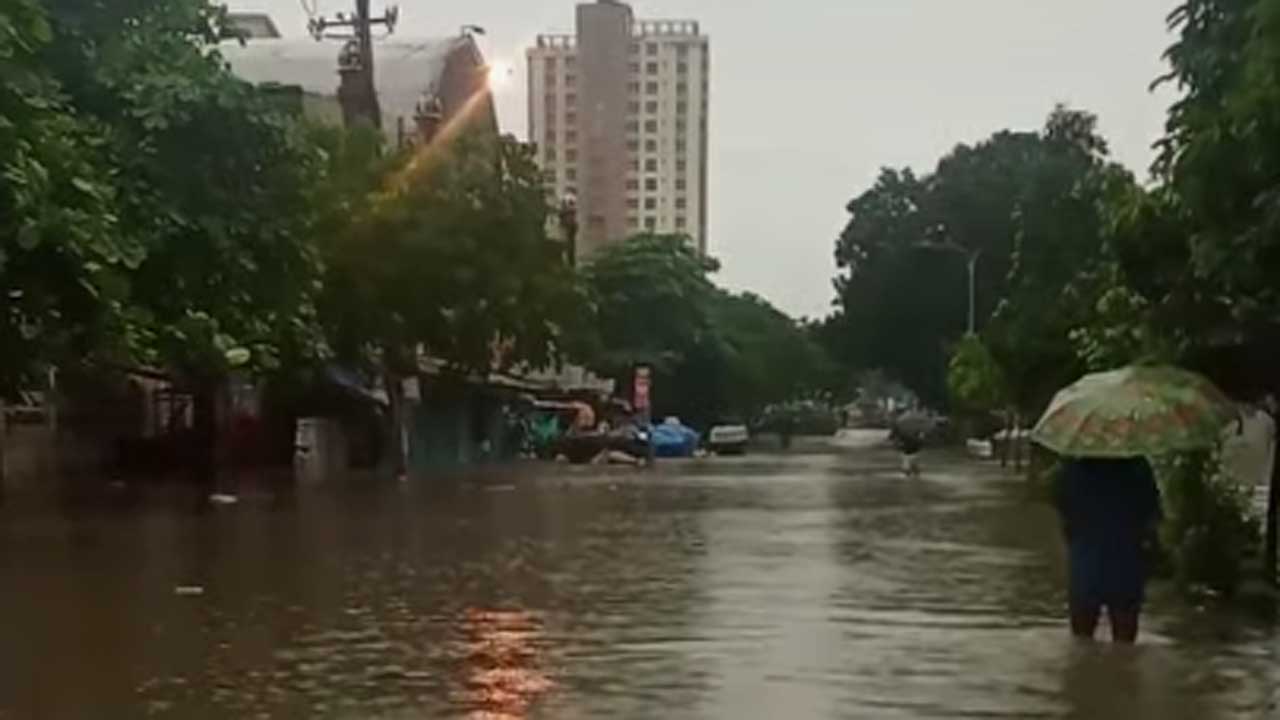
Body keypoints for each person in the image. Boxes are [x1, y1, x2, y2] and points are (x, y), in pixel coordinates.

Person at [1055, 457, 1161, 643]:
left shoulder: (1074, 467)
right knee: (1125, 644)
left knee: (1081, 643)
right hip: (1126, 563)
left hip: (1085, 562)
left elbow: (1065, 517)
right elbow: (1152, 516)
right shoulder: (1137, 465)